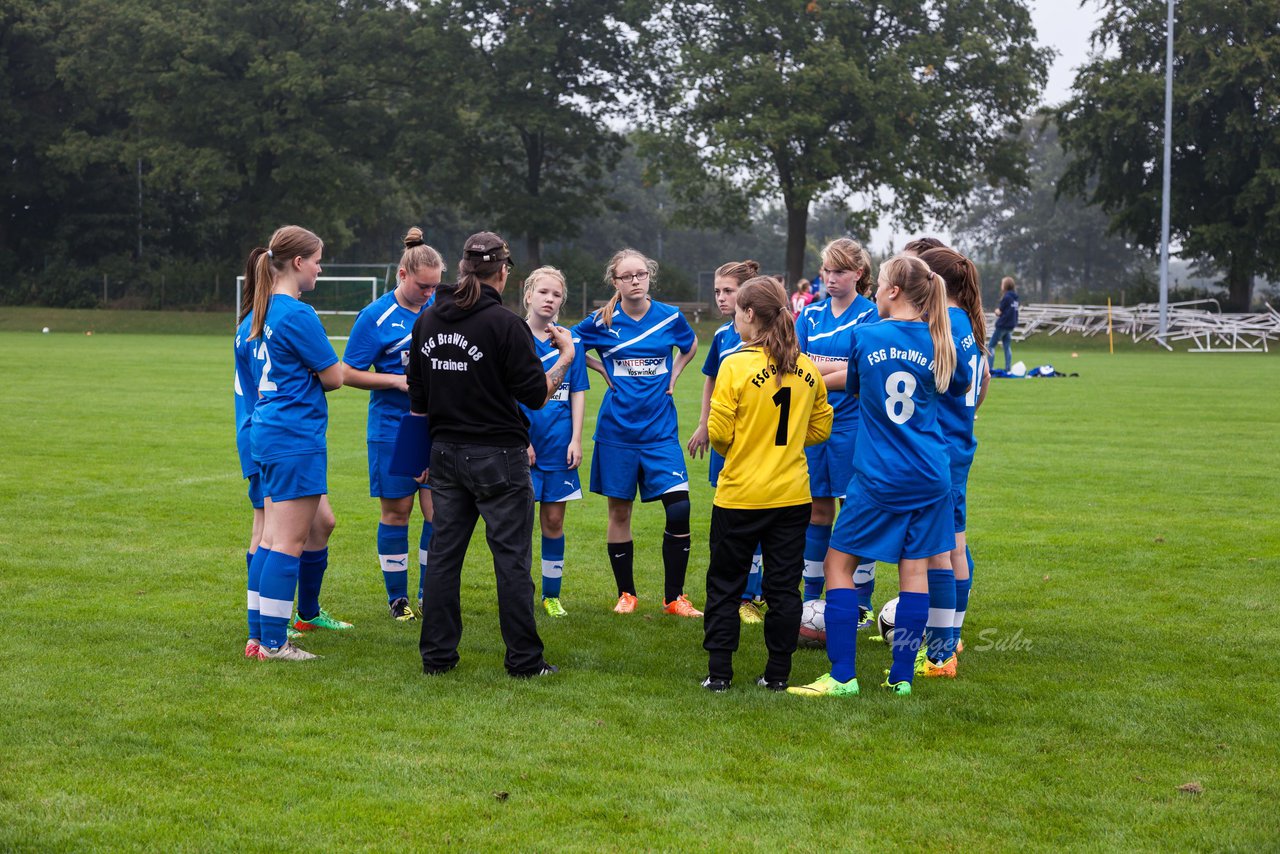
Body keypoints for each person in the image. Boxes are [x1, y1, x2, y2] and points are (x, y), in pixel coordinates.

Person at [789, 254, 972, 697]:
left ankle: (842, 676)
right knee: (914, 574)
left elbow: (854, 381)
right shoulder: (938, 338)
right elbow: (961, 384)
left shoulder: (867, 335)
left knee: (838, 564)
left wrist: (800, 376)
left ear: (892, 291)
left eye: (879, 285)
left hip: (878, 475)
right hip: (932, 473)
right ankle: (902, 677)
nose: (872, 292)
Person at [407, 231, 573, 678]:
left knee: (443, 557)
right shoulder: (505, 324)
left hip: (444, 452)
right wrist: (565, 358)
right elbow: (537, 395)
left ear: (462, 269)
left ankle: (437, 658)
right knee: (512, 560)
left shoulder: (427, 320)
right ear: (503, 272)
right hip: (498, 455)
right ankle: (524, 661)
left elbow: (417, 401)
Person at [701, 277, 833, 692]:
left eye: (738, 311)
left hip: (740, 494)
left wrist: (749, 441)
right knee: (783, 588)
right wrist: (787, 439)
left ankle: (720, 674)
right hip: (792, 496)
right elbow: (821, 427)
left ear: (750, 315)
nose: (735, 318)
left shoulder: (736, 364)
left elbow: (719, 433)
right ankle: (777, 675)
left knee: (725, 585)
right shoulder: (807, 367)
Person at [573, 249, 701, 617]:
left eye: (641, 274)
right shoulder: (602, 321)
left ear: (649, 277)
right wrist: (600, 368)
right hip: (618, 433)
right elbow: (569, 342)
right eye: (627, 276)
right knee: (619, 512)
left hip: (661, 431)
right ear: (615, 282)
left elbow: (690, 345)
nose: (635, 281)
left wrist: (675, 373)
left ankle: (674, 598)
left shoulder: (670, 317)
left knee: (680, 508)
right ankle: (626, 594)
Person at [244, 225, 349, 662]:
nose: (321, 269)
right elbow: (334, 377)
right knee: (287, 542)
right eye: (319, 261)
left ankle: (259, 636)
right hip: (295, 435)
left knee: (270, 539)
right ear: (300, 263)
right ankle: (274, 643)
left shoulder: (261, 311)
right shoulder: (297, 313)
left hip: (267, 430)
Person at [342, 227, 444, 623]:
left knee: (438, 511)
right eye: (423, 286)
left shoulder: (440, 309)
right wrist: (396, 381)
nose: (429, 294)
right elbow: (347, 372)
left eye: (435, 286)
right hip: (394, 426)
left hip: (439, 426)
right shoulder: (376, 316)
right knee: (397, 510)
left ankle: (429, 593)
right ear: (402, 276)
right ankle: (398, 600)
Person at [794, 238, 877, 618]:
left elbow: (863, 373)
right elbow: (793, 365)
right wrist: (837, 370)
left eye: (839, 271)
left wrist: (817, 371)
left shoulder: (870, 317)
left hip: (854, 425)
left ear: (858, 274)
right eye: (826, 270)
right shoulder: (809, 316)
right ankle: (812, 598)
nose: (830, 278)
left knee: (856, 509)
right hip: (812, 427)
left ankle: (860, 602)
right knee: (816, 511)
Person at [920, 246, 992, 678]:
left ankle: (941, 650)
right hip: (959, 444)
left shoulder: (943, 326)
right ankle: (952, 634)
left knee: (939, 551)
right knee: (955, 542)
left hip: (939, 450)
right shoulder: (968, 324)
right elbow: (981, 386)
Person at [688, 260, 766, 624]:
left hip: (761, 445)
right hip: (728, 443)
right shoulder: (722, 337)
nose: (721, 297)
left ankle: (757, 592)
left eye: (728, 291)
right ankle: (741, 596)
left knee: (766, 518)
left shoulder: (774, 336)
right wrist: (704, 423)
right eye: (717, 291)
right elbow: (710, 380)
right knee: (733, 521)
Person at [518, 266, 588, 618]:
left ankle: (551, 596)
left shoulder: (570, 340)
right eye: (543, 292)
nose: (550, 299)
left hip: (559, 445)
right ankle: (519, 593)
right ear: (528, 294)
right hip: (521, 446)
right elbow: (504, 395)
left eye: (556, 294)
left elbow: (576, 392)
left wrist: (576, 438)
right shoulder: (512, 337)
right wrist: (520, 438)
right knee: (518, 525)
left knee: (554, 522)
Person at [233, 270, 266, 658]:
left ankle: (297, 612)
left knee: (320, 523)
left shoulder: (250, 327)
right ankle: (259, 628)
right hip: (263, 435)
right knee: (268, 529)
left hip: (257, 434)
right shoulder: (256, 329)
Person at [990, 276, 1020, 372]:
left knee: (990, 346)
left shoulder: (1006, 297)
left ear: (1005, 286)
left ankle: (990, 368)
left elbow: (999, 311)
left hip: (1002, 325)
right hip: (1011, 326)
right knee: (1007, 347)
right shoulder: (1015, 298)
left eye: (1002, 284)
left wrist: (995, 311)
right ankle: (1008, 368)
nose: (1001, 286)